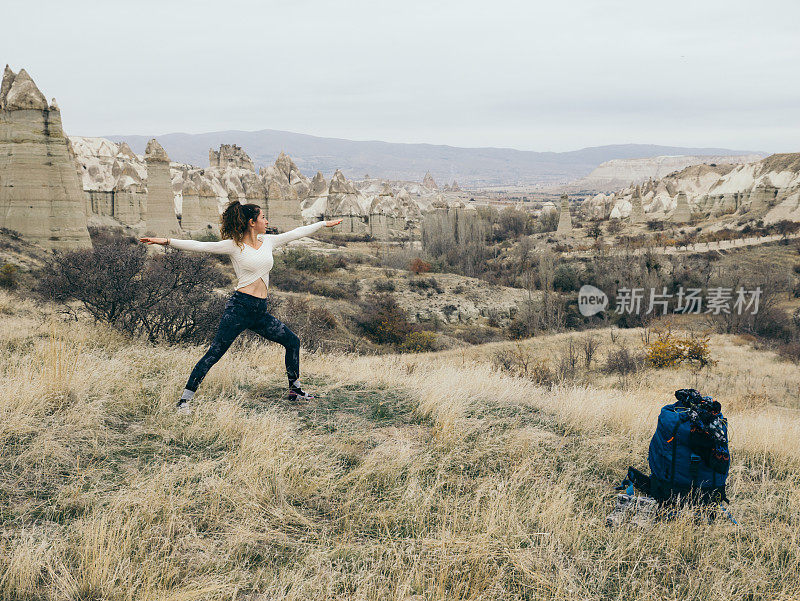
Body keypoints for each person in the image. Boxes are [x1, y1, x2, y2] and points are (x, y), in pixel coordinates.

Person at [140, 200, 341, 412]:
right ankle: (184, 401)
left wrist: (323, 224)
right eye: (263, 217)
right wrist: (165, 241)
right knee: (214, 353)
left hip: (259, 311)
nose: (266, 220)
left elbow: (297, 232)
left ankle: (295, 389)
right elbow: (199, 245)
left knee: (292, 341)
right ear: (252, 222)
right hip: (239, 309)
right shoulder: (234, 245)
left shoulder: (268, 241)